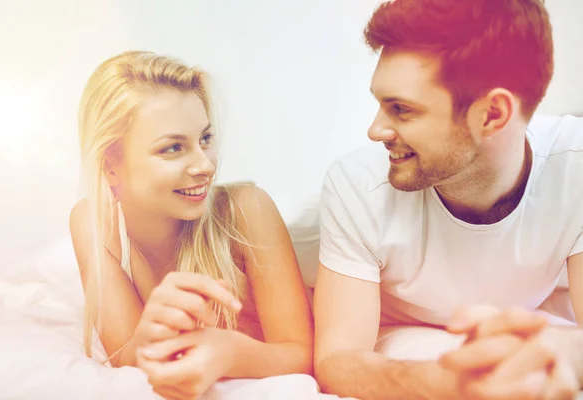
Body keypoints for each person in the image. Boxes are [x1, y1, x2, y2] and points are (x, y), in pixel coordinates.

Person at [313, 0, 583, 398]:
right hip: (400, 335)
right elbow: (337, 360)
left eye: (401, 110)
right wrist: (440, 385)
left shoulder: (574, 166)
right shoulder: (356, 184)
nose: (375, 130)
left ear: (492, 114)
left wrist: (563, 351)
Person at [69, 50, 313, 399]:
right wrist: (149, 336)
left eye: (206, 140)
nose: (205, 165)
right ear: (111, 165)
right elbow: (126, 356)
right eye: (172, 148)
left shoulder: (248, 209)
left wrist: (228, 352)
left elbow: (300, 355)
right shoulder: (92, 221)